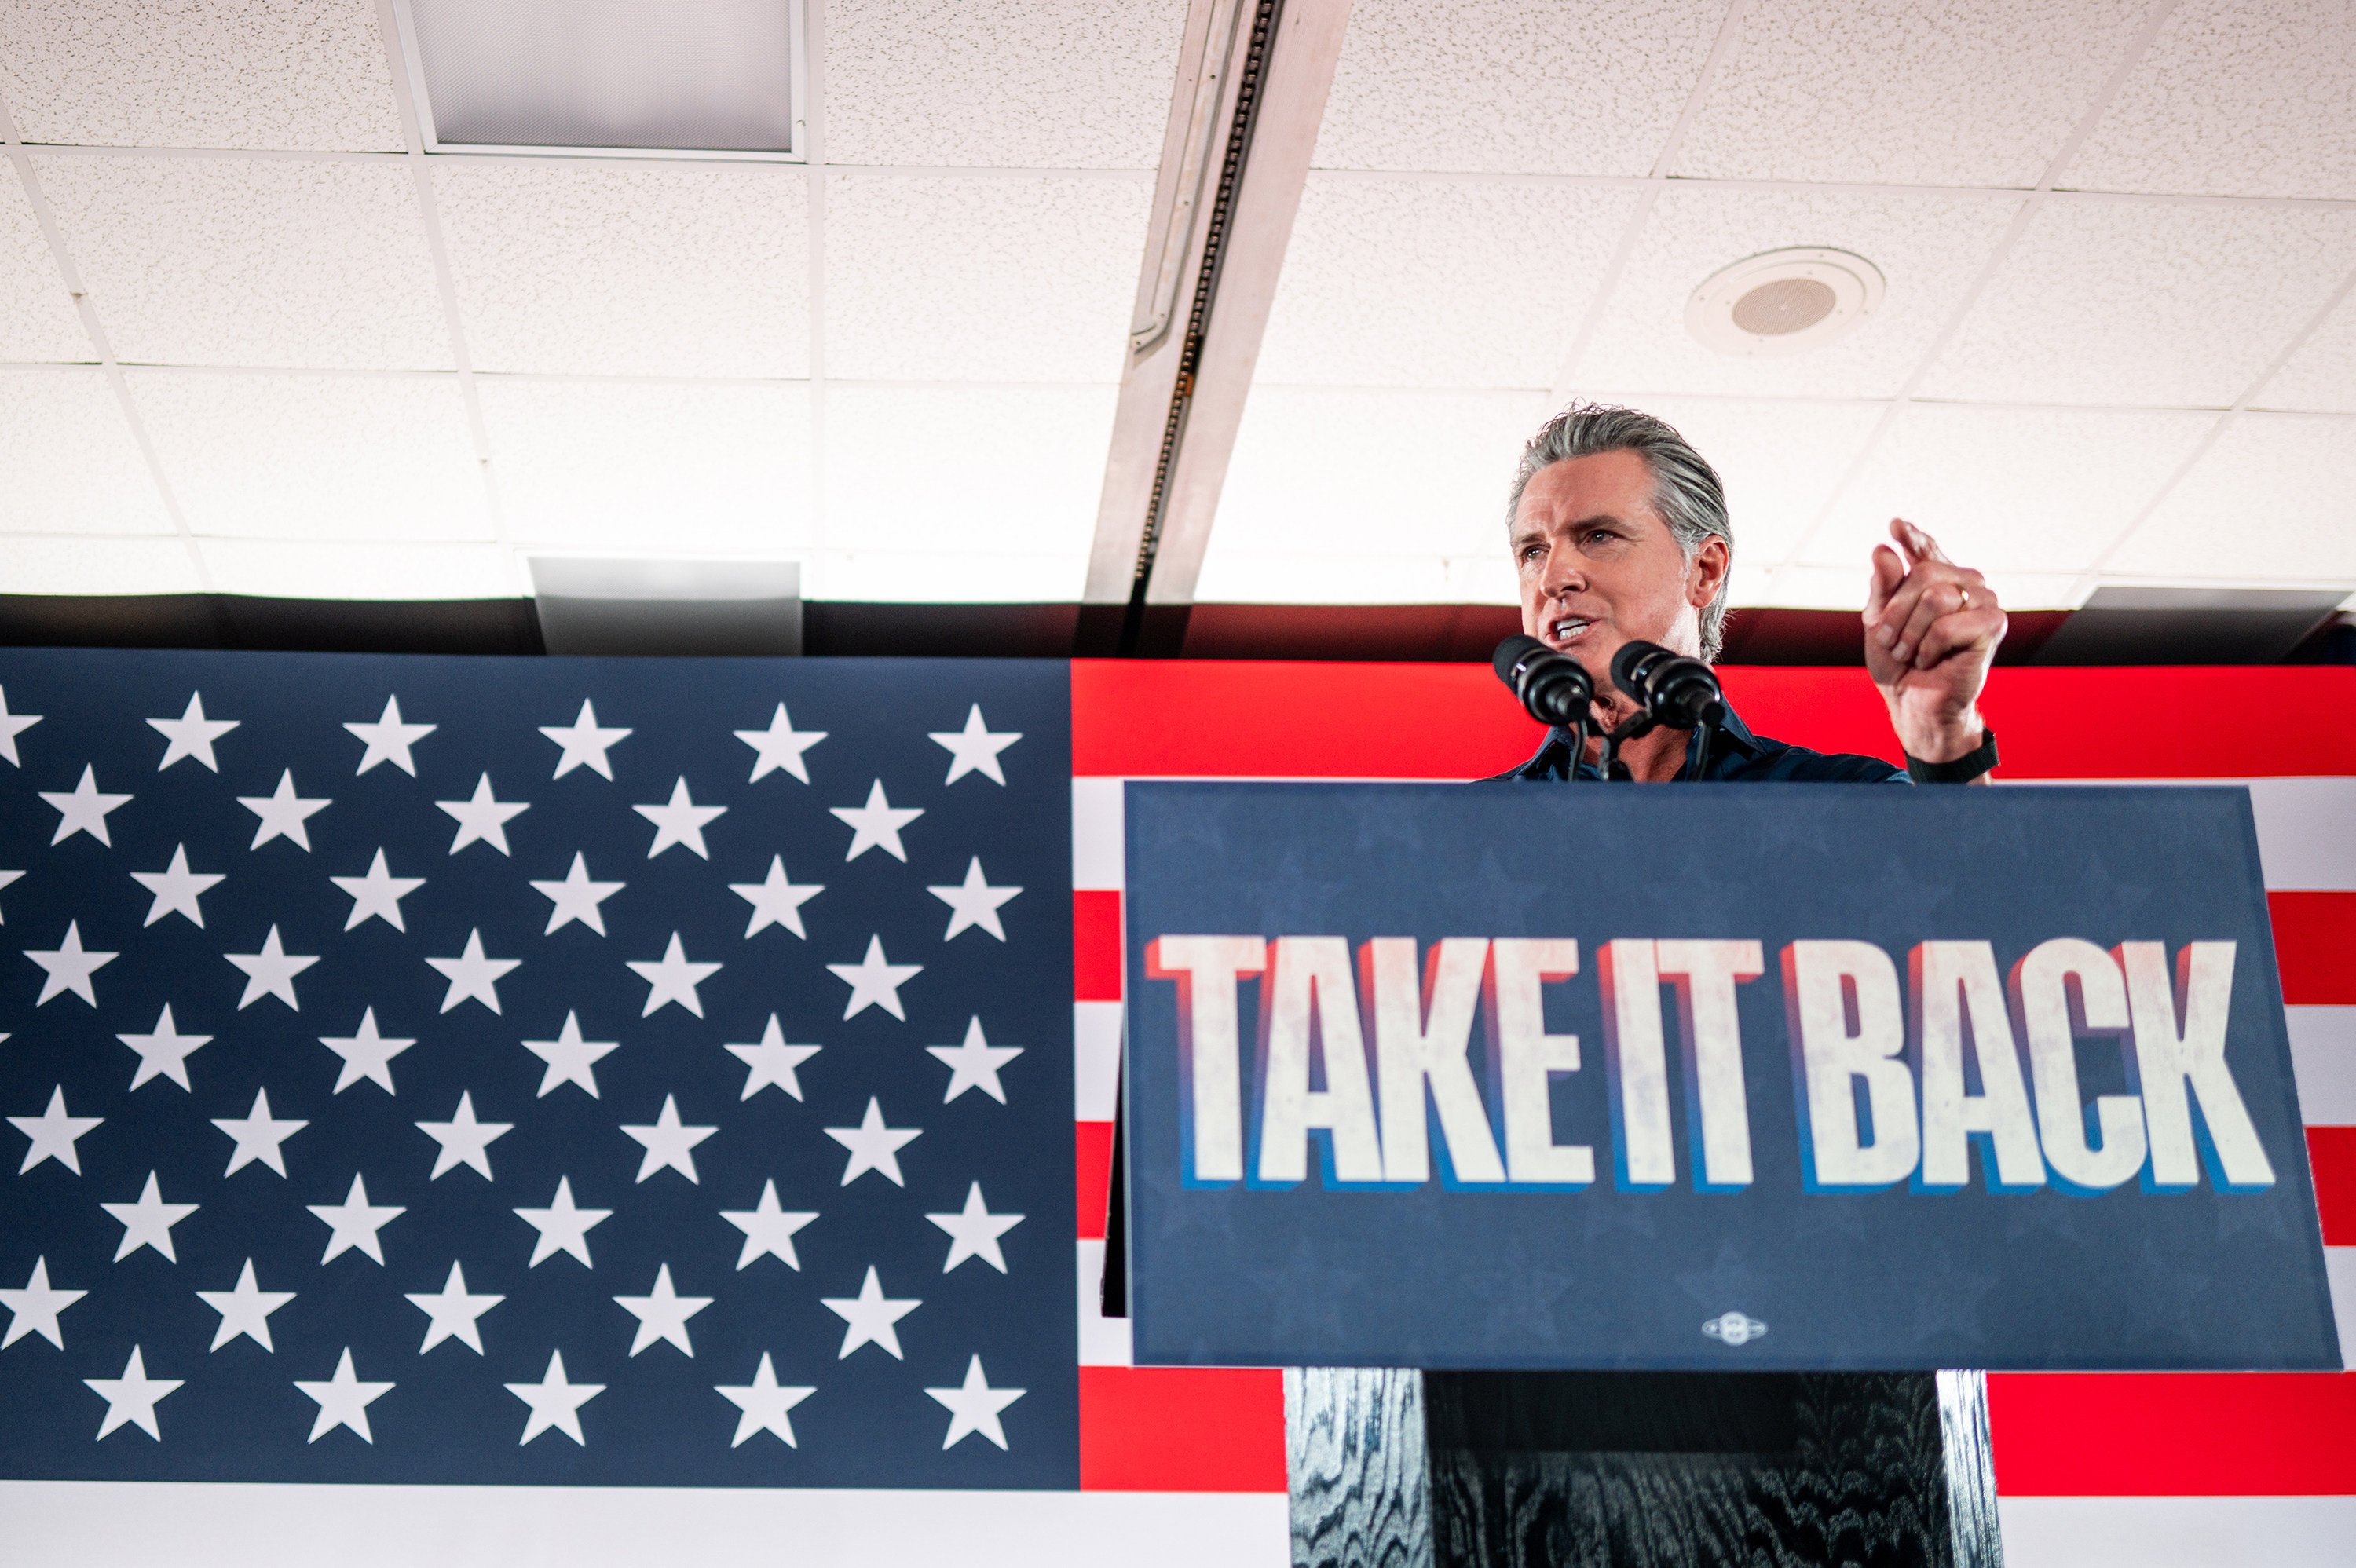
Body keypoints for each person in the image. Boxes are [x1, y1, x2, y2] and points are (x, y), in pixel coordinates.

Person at [1496, 403, 2005, 785]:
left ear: (1705, 570)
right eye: (1533, 551)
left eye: (1599, 537)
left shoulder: (1842, 800)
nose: (1553, 577)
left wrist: (1944, 737)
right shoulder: (1458, 832)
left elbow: (1988, 909)